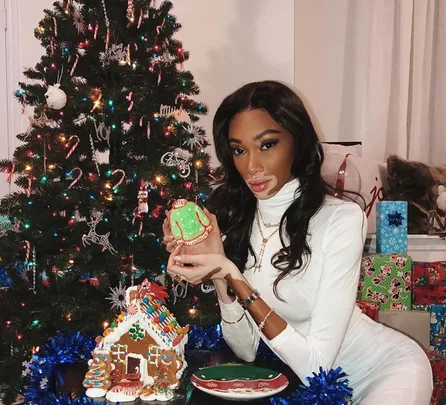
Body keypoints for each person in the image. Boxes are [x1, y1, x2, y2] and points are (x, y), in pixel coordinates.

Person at [162, 81, 433, 404]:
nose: (252, 166)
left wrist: (234, 275)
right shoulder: (240, 224)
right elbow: (246, 349)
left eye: (267, 145)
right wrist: (221, 276)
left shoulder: (341, 220)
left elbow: (315, 366)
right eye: (239, 150)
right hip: (315, 388)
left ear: (297, 142)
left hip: (385, 371)